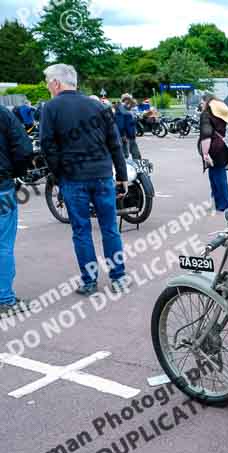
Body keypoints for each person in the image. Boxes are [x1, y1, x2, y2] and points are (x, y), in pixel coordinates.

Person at [39, 64, 129, 296]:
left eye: (48, 82)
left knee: (81, 231)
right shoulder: (99, 106)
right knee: (110, 228)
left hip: (73, 178)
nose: (48, 86)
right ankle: (118, 277)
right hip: (102, 175)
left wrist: (59, 175)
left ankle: (89, 282)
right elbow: (115, 144)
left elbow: (48, 147)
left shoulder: (51, 108)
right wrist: (122, 176)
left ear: (57, 83)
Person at [0, 103, 33, 316]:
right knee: (3, 244)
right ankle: (5, 299)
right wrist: (17, 174)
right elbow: (24, 149)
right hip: (2, 186)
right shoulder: (3, 114)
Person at [198, 94, 228, 212]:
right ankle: (217, 202)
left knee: (217, 177)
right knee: (216, 175)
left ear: (206, 103)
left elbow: (206, 135)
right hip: (225, 147)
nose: (201, 105)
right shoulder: (221, 114)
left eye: (202, 102)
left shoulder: (206, 115)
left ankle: (225, 205)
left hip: (214, 148)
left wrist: (205, 154)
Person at [115, 94, 141, 160]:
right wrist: (122, 134)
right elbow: (120, 123)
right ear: (126, 100)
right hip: (125, 135)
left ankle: (137, 165)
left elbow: (131, 121)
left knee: (135, 154)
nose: (131, 104)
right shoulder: (120, 109)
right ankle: (125, 167)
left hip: (131, 135)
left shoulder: (127, 109)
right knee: (125, 154)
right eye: (129, 100)